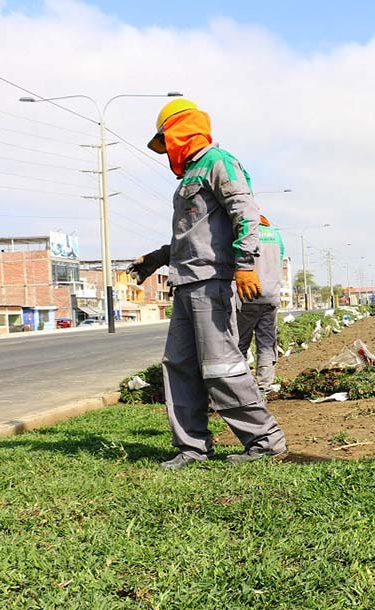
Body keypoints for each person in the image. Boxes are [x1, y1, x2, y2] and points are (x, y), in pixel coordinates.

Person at [127, 98, 286, 470]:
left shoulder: (219, 162)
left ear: (180, 131)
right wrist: (157, 259)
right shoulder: (190, 177)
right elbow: (195, 236)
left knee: (221, 366)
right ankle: (192, 447)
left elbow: (245, 213)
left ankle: (264, 441)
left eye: (166, 141)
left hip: (211, 282)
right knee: (179, 365)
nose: (166, 151)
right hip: (185, 283)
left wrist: (245, 265)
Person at [237, 214, 284, 394]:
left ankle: (241, 386)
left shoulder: (244, 234)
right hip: (271, 295)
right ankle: (264, 385)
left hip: (248, 294)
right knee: (266, 343)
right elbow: (279, 260)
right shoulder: (275, 234)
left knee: (240, 342)